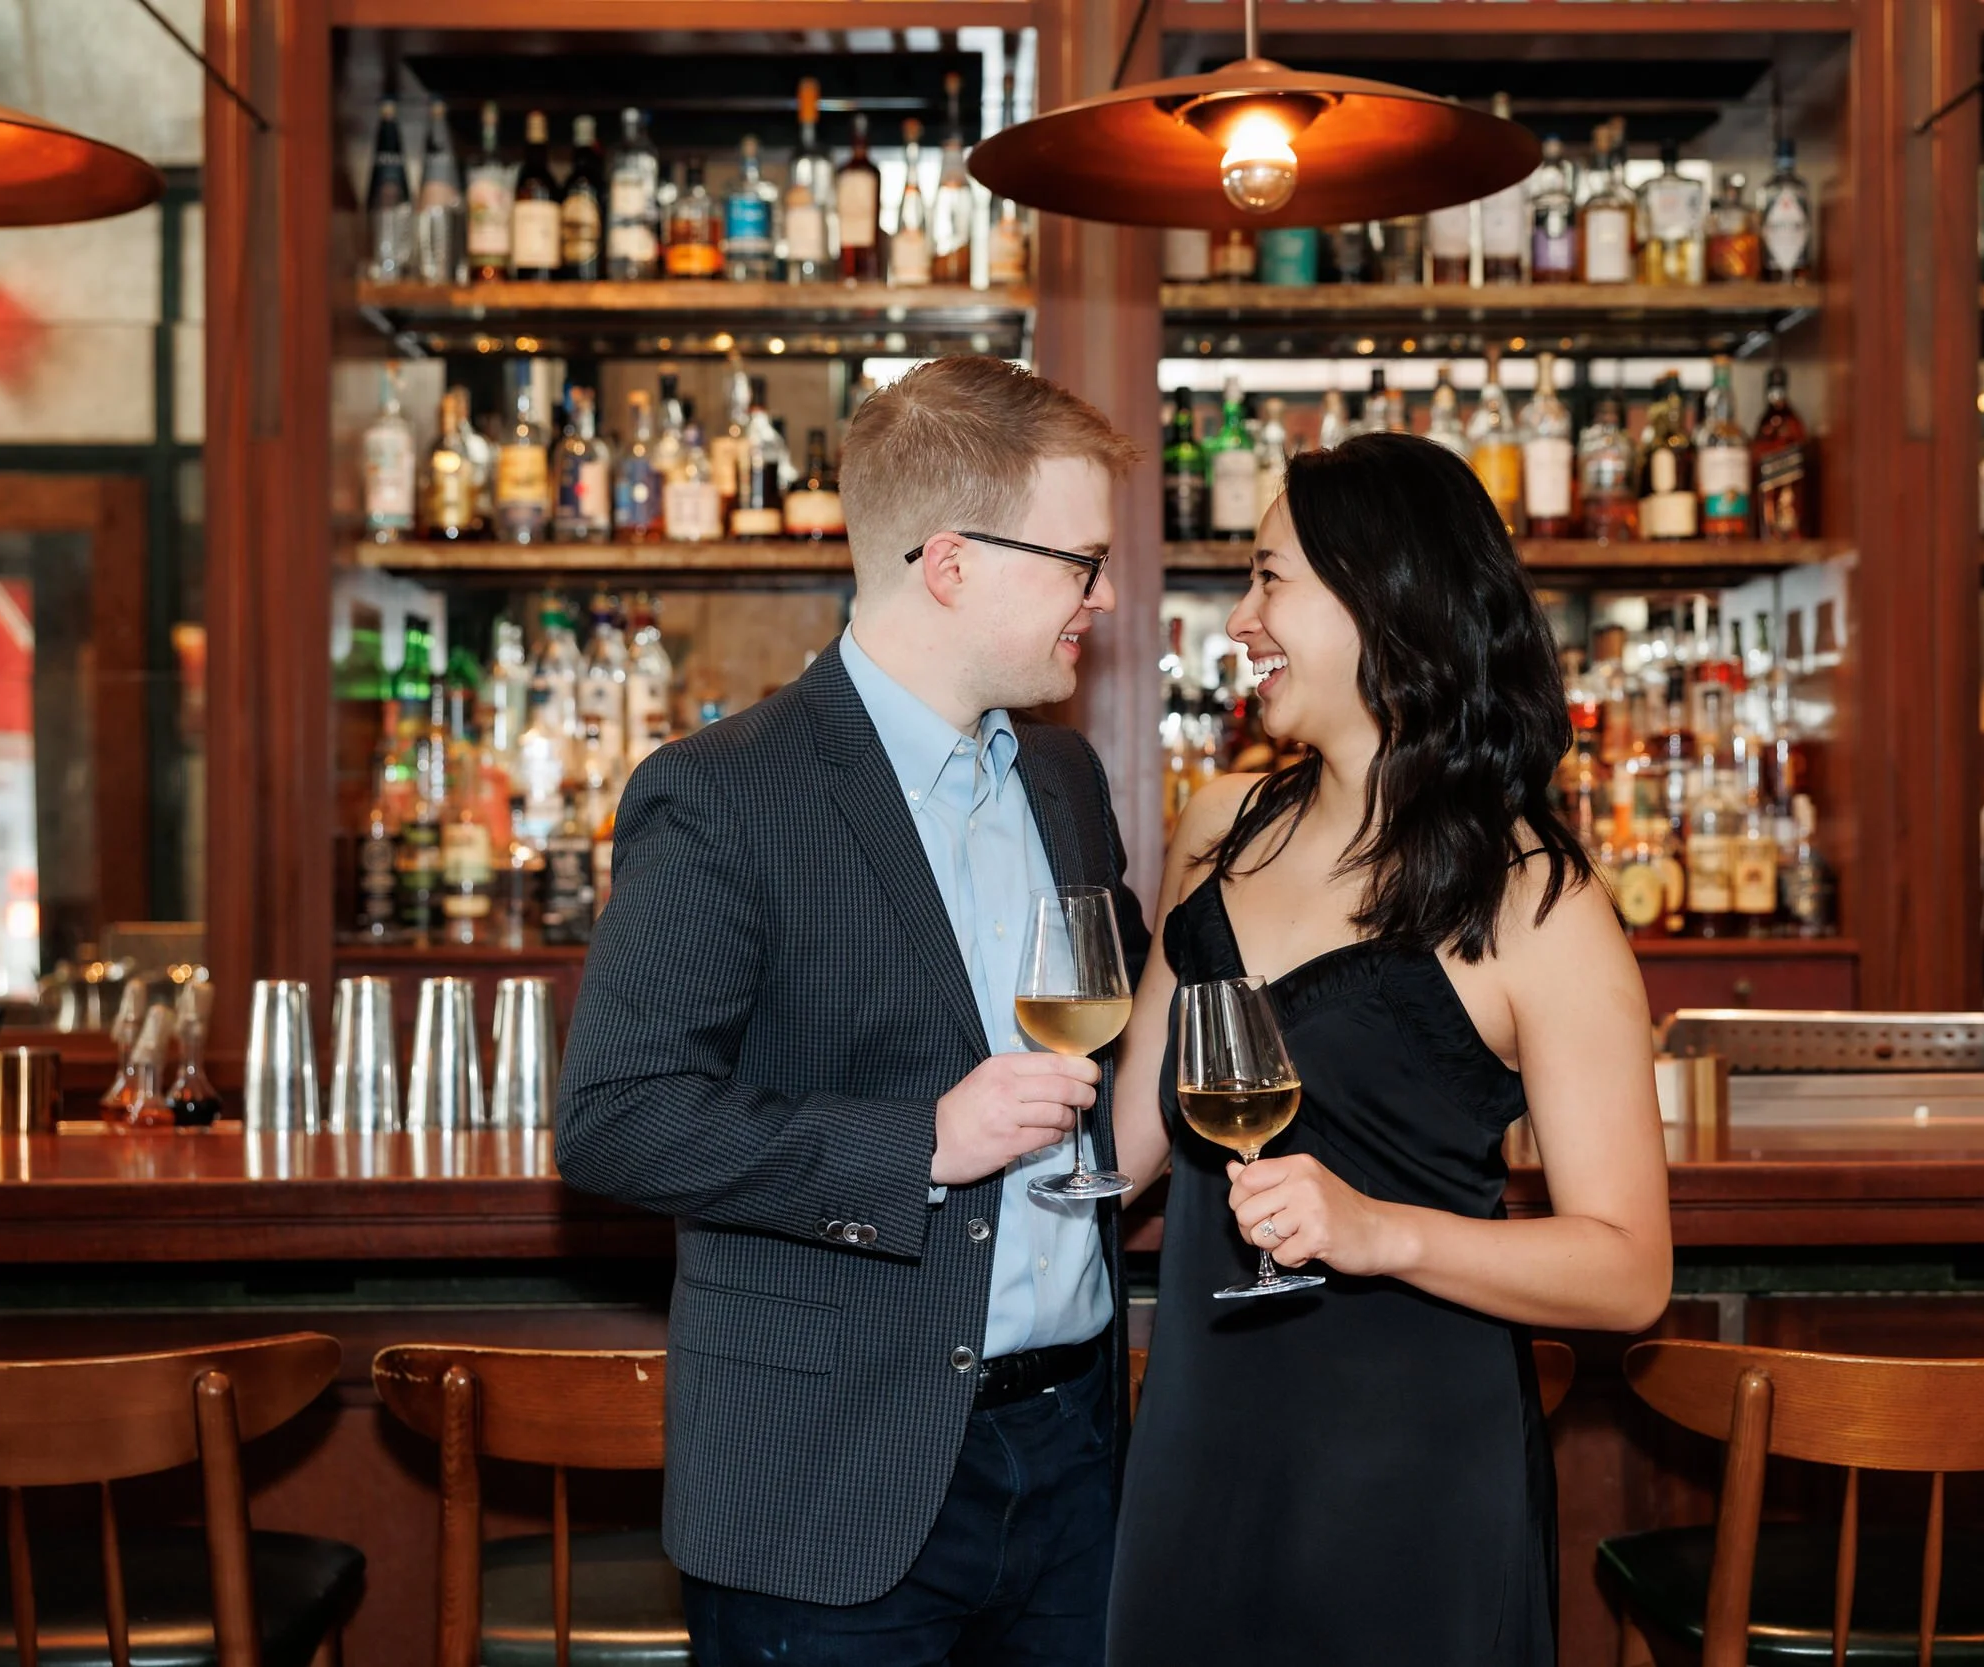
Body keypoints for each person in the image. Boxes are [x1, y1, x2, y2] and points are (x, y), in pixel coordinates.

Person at [557, 355, 1148, 1667]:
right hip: (833, 1479)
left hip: (1071, 1456)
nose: (1102, 597)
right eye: (1077, 562)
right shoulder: (722, 792)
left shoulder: (1062, 773)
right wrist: (918, 1143)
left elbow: (1123, 1045)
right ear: (950, 563)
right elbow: (614, 1118)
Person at [1105, 431, 1674, 1666]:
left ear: (1381, 598)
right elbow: (1126, 1148)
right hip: (1202, 1434)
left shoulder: (1535, 896)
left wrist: (1379, 1230)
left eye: (1269, 579)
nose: (1240, 619)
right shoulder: (1215, 827)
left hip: (1409, 1467)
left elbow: (1629, 1271)